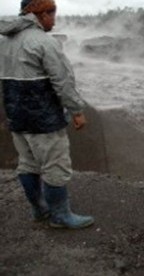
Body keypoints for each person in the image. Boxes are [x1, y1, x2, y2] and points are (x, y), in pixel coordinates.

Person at [0, 0, 94, 229]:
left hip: (16, 117)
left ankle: (39, 209)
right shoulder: (45, 42)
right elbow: (63, 82)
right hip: (43, 118)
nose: (54, 19)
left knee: (28, 164)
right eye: (52, 14)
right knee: (56, 166)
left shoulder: (5, 42)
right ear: (41, 14)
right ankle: (60, 216)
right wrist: (76, 111)